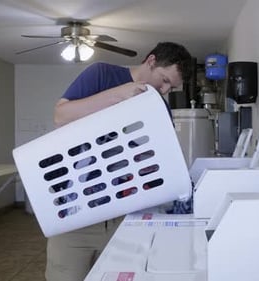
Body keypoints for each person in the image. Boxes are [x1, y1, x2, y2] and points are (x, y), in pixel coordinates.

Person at [46, 42, 193, 281]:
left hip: (127, 219)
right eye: (164, 80)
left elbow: (159, 159)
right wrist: (119, 94)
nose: (165, 91)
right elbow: (61, 116)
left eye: (171, 87)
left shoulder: (158, 107)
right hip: (74, 216)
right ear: (151, 61)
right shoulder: (102, 74)